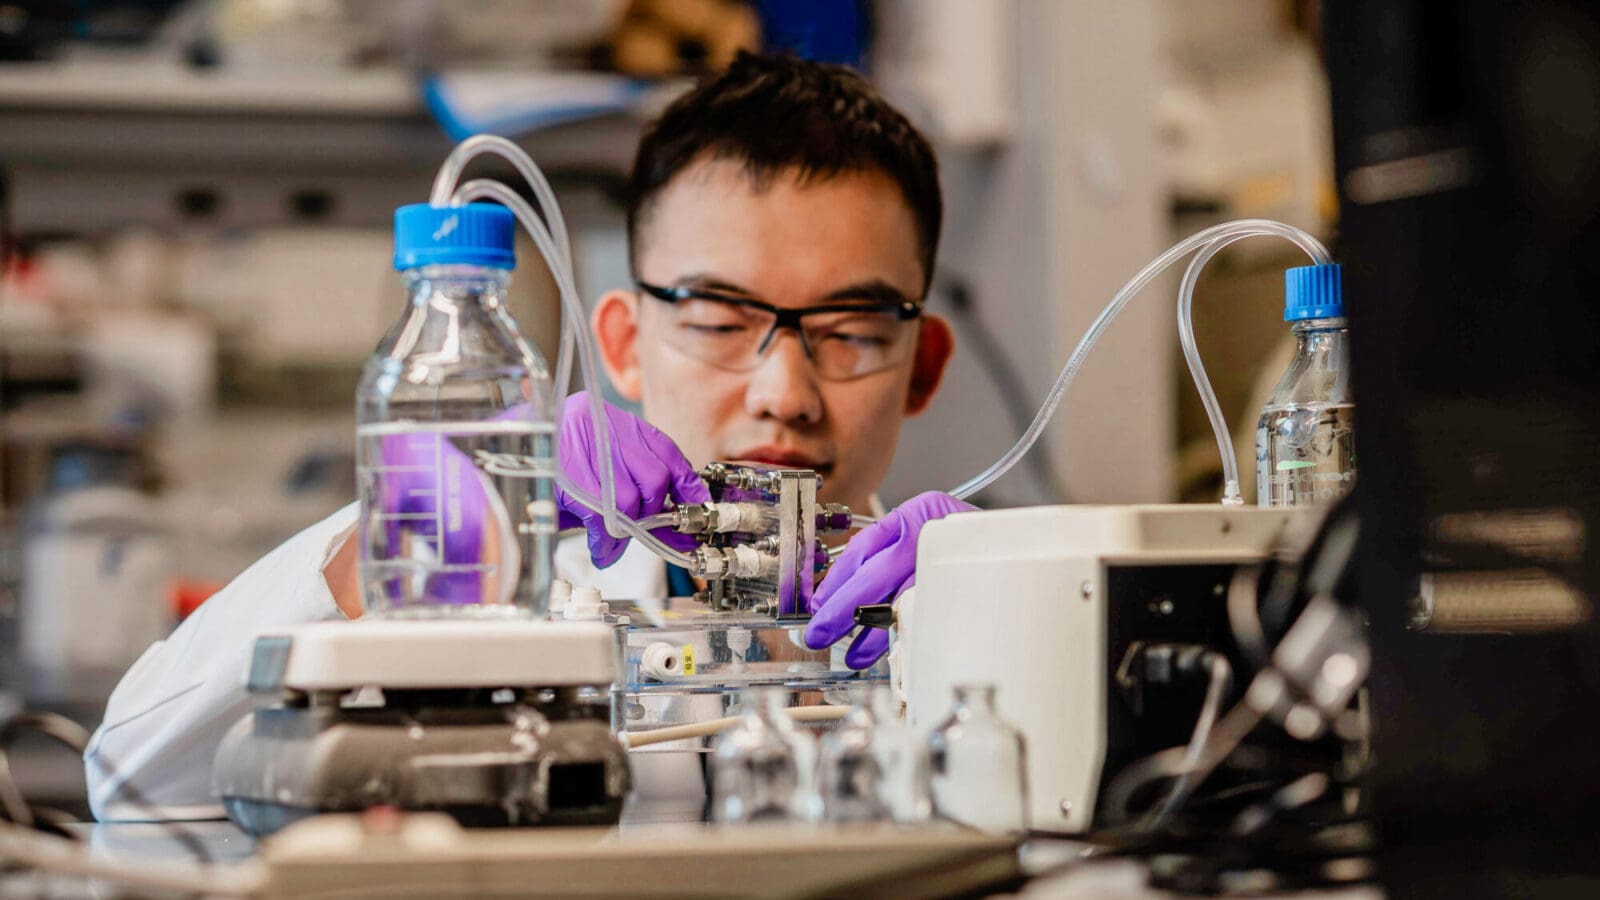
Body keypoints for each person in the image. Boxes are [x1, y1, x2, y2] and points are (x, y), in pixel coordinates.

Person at [85, 52, 975, 821]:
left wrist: (1006, 608)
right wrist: (411, 545)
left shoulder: (972, 607)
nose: (785, 394)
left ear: (925, 366)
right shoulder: (513, 599)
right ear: (620, 343)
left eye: (853, 332)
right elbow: (133, 779)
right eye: (717, 321)